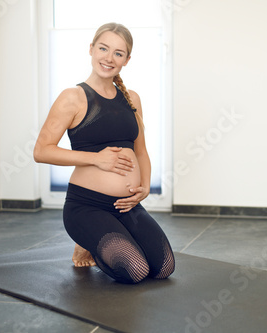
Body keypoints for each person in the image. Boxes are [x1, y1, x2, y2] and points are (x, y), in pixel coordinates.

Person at [33, 22, 175, 284]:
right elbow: (41, 151)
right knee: (135, 270)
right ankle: (87, 242)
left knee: (164, 266)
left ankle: (107, 237)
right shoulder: (73, 97)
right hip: (86, 207)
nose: (109, 58)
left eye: (118, 53)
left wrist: (144, 185)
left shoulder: (132, 98)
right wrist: (97, 159)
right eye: (103, 48)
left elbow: (140, 150)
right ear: (91, 49)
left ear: (127, 60)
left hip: (127, 206)